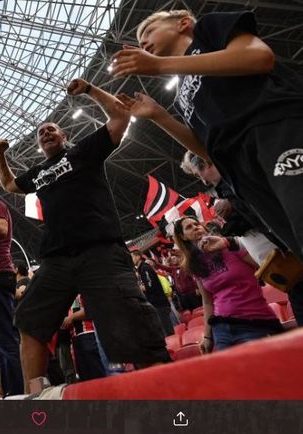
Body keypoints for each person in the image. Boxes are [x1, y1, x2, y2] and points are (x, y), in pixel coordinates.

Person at [111, 9, 303, 321]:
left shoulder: (209, 31)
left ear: (182, 23)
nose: (143, 42)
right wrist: (160, 116)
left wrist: (160, 65)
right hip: (241, 169)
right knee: (296, 243)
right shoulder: (182, 94)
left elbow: (259, 58)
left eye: (149, 32)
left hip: (274, 127)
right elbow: (205, 148)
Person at [0, 78, 170, 393]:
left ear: (65, 136)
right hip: (56, 259)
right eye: (41, 132)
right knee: (29, 322)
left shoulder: (84, 151)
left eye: (52, 129)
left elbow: (119, 117)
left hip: (100, 251)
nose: (46, 132)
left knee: (132, 327)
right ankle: (36, 397)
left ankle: (165, 399)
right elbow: (8, 185)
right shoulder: (38, 173)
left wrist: (89, 89)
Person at [172, 217, 283, 352]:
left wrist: (231, 242)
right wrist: (207, 337)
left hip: (255, 321)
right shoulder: (195, 265)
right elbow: (207, 302)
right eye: (189, 227)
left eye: (197, 224)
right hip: (221, 329)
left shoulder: (230, 246)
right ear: (183, 237)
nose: (195, 227)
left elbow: (265, 265)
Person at [180, 151, 279, 265]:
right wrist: (227, 242)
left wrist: (234, 201)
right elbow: (248, 235)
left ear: (206, 163)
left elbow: (269, 209)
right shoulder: (225, 191)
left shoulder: (243, 176)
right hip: (275, 263)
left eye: (198, 174)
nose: (205, 182)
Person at [132, 251, 173, 336]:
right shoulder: (140, 270)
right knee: (163, 332)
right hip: (155, 304)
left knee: (167, 332)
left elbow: (150, 286)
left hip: (159, 304)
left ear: (138, 257)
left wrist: (139, 288)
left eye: (132, 257)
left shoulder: (145, 268)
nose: (131, 260)